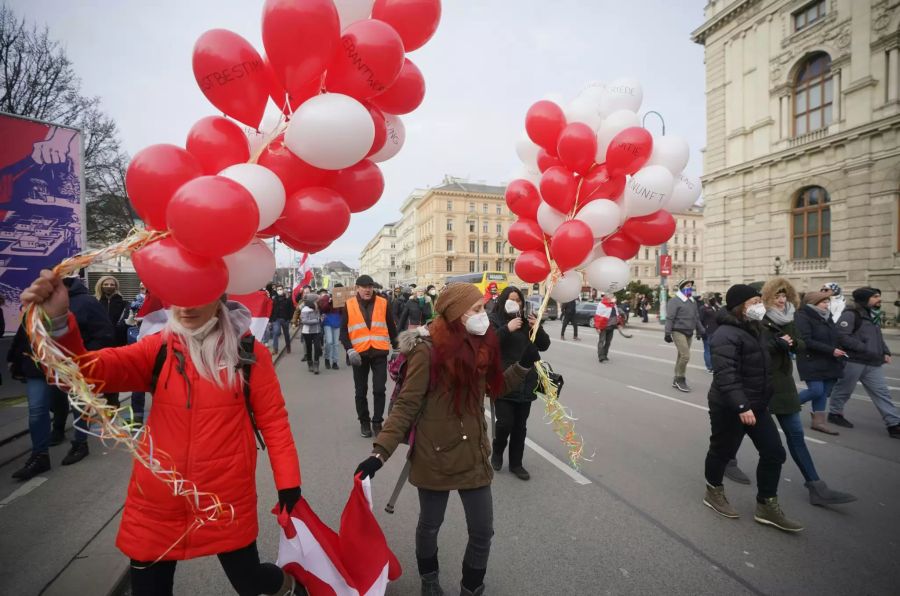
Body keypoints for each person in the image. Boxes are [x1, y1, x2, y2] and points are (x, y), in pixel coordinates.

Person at [20, 270, 302, 596]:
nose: (185, 307)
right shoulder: (158, 349)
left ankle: (288, 586)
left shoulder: (248, 354)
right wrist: (57, 322)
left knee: (250, 581)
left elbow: (275, 422)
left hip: (223, 499)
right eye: (178, 297)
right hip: (157, 502)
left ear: (220, 296)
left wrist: (289, 485)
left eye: (197, 295)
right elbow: (79, 374)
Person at [354, 282, 541, 596]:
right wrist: (379, 453)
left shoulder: (478, 345)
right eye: (477, 309)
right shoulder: (427, 351)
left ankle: (471, 588)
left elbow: (492, 389)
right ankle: (429, 579)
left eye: (483, 308)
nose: (484, 315)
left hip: (473, 452)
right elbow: (406, 405)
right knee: (430, 525)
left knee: (482, 531)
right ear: (457, 313)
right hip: (433, 453)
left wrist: (523, 366)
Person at [702, 284, 802, 533]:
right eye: (753, 301)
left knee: (774, 453)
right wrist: (741, 405)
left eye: (759, 300)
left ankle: (766, 505)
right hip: (730, 405)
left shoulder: (756, 328)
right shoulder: (725, 334)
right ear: (739, 306)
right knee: (722, 452)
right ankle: (713, 491)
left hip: (757, 404)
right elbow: (726, 375)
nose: (759, 305)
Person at [754, 278, 856, 506]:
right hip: (760, 384)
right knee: (741, 430)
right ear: (767, 298)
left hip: (784, 384)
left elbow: (801, 344)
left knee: (796, 436)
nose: (781, 301)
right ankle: (725, 461)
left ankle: (816, 487)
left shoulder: (789, 317)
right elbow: (752, 349)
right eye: (777, 297)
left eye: (784, 296)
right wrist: (774, 344)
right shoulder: (758, 318)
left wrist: (790, 344)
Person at [488, 286, 551, 480]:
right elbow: (489, 345)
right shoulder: (494, 320)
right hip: (504, 380)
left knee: (520, 427)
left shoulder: (526, 321)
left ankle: (516, 464)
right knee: (505, 423)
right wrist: (507, 329)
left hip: (526, 380)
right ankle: (497, 451)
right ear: (502, 300)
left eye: (518, 300)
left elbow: (544, 345)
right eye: (510, 299)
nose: (514, 303)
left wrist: (536, 328)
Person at [828, 287, 899, 438]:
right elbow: (841, 336)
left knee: (882, 393)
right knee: (844, 390)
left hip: (873, 362)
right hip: (854, 360)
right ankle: (835, 414)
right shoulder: (850, 314)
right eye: (875, 297)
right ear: (864, 300)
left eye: (879, 296)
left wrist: (885, 351)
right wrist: (864, 348)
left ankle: (894, 424)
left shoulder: (873, 315)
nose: (879, 299)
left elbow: (878, 337)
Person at [341, 275, 398, 438]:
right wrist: (349, 350)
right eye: (364, 287)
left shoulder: (383, 303)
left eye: (370, 286)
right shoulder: (349, 304)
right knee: (361, 390)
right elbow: (344, 332)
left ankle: (377, 421)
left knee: (380, 389)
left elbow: (391, 327)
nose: (367, 289)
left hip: (379, 352)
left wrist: (397, 348)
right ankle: (364, 421)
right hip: (359, 354)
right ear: (357, 288)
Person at [794, 289, 844, 435]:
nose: (827, 304)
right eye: (824, 302)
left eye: (828, 301)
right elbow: (806, 340)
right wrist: (831, 350)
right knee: (816, 390)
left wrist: (840, 349)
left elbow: (836, 336)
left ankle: (819, 422)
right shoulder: (802, 316)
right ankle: (787, 405)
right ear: (813, 303)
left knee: (823, 391)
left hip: (828, 359)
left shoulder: (827, 316)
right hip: (810, 359)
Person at [665, 279, 705, 393]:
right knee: (685, 356)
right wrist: (667, 333)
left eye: (691, 286)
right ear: (682, 288)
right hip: (678, 331)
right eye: (687, 285)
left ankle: (676, 379)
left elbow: (696, 318)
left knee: (681, 356)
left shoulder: (692, 301)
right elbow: (670, 318)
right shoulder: (674, 301)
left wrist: (700, 330)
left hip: (689, 332)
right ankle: (680, 379)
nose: (690, 287)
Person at [319, 286, 342, 370]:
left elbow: (342, 311)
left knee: (336, 343)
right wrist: (329, 302)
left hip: (337, 322)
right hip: (328, 321)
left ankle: (335, 362)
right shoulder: (326, 298)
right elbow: (323, 309)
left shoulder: (341, 299)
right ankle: (327, 358)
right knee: (329, 341)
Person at [269, 283, 294, 355]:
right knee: (275, 332)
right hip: (276, 319)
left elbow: (291, 309)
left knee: (286, 334)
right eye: (278, 289)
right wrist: (271, 320)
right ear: (276, 290)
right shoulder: (274, 299)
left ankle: (288, 347)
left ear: (283, 290)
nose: (279, 290)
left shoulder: (288, 299)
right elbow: (271, 310)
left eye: (281, 289)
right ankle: (275, 349)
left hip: (285, 319)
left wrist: (290, 319)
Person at [299, 295, 322, 374]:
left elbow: (319, 317)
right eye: (316, 300)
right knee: (309, 349)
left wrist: (321, 318)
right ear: (312, 301)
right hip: (307, 332)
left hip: (316, 331)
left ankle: (316, 365)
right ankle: (310, 364)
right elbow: (304, 321)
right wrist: (316, 320)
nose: (317, 302)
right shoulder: (305, 309)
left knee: (317, 348)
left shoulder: (317, 308)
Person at [593, 294, 618, 363]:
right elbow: (598, 317)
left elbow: (616, 315)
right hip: (603, 327)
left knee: (608, 342)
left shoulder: (614, 305)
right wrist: (597, 327)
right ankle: (601, 356)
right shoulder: (601, 305)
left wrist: (618, 323)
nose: (614, 298)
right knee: (601, 341)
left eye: (614, 297)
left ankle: (605, 355)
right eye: (613, 297)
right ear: (608, 298)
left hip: (611, 327)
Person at [699, 296, 721, 374]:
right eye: (711, 298)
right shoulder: (703, 308)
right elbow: (700, 320)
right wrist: (700, 332)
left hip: (716, 331)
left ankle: (715, 365)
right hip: (707, 332)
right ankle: (709, 367)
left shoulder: (716, 307)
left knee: (715, 350)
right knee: (707, 349)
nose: (713, 300)